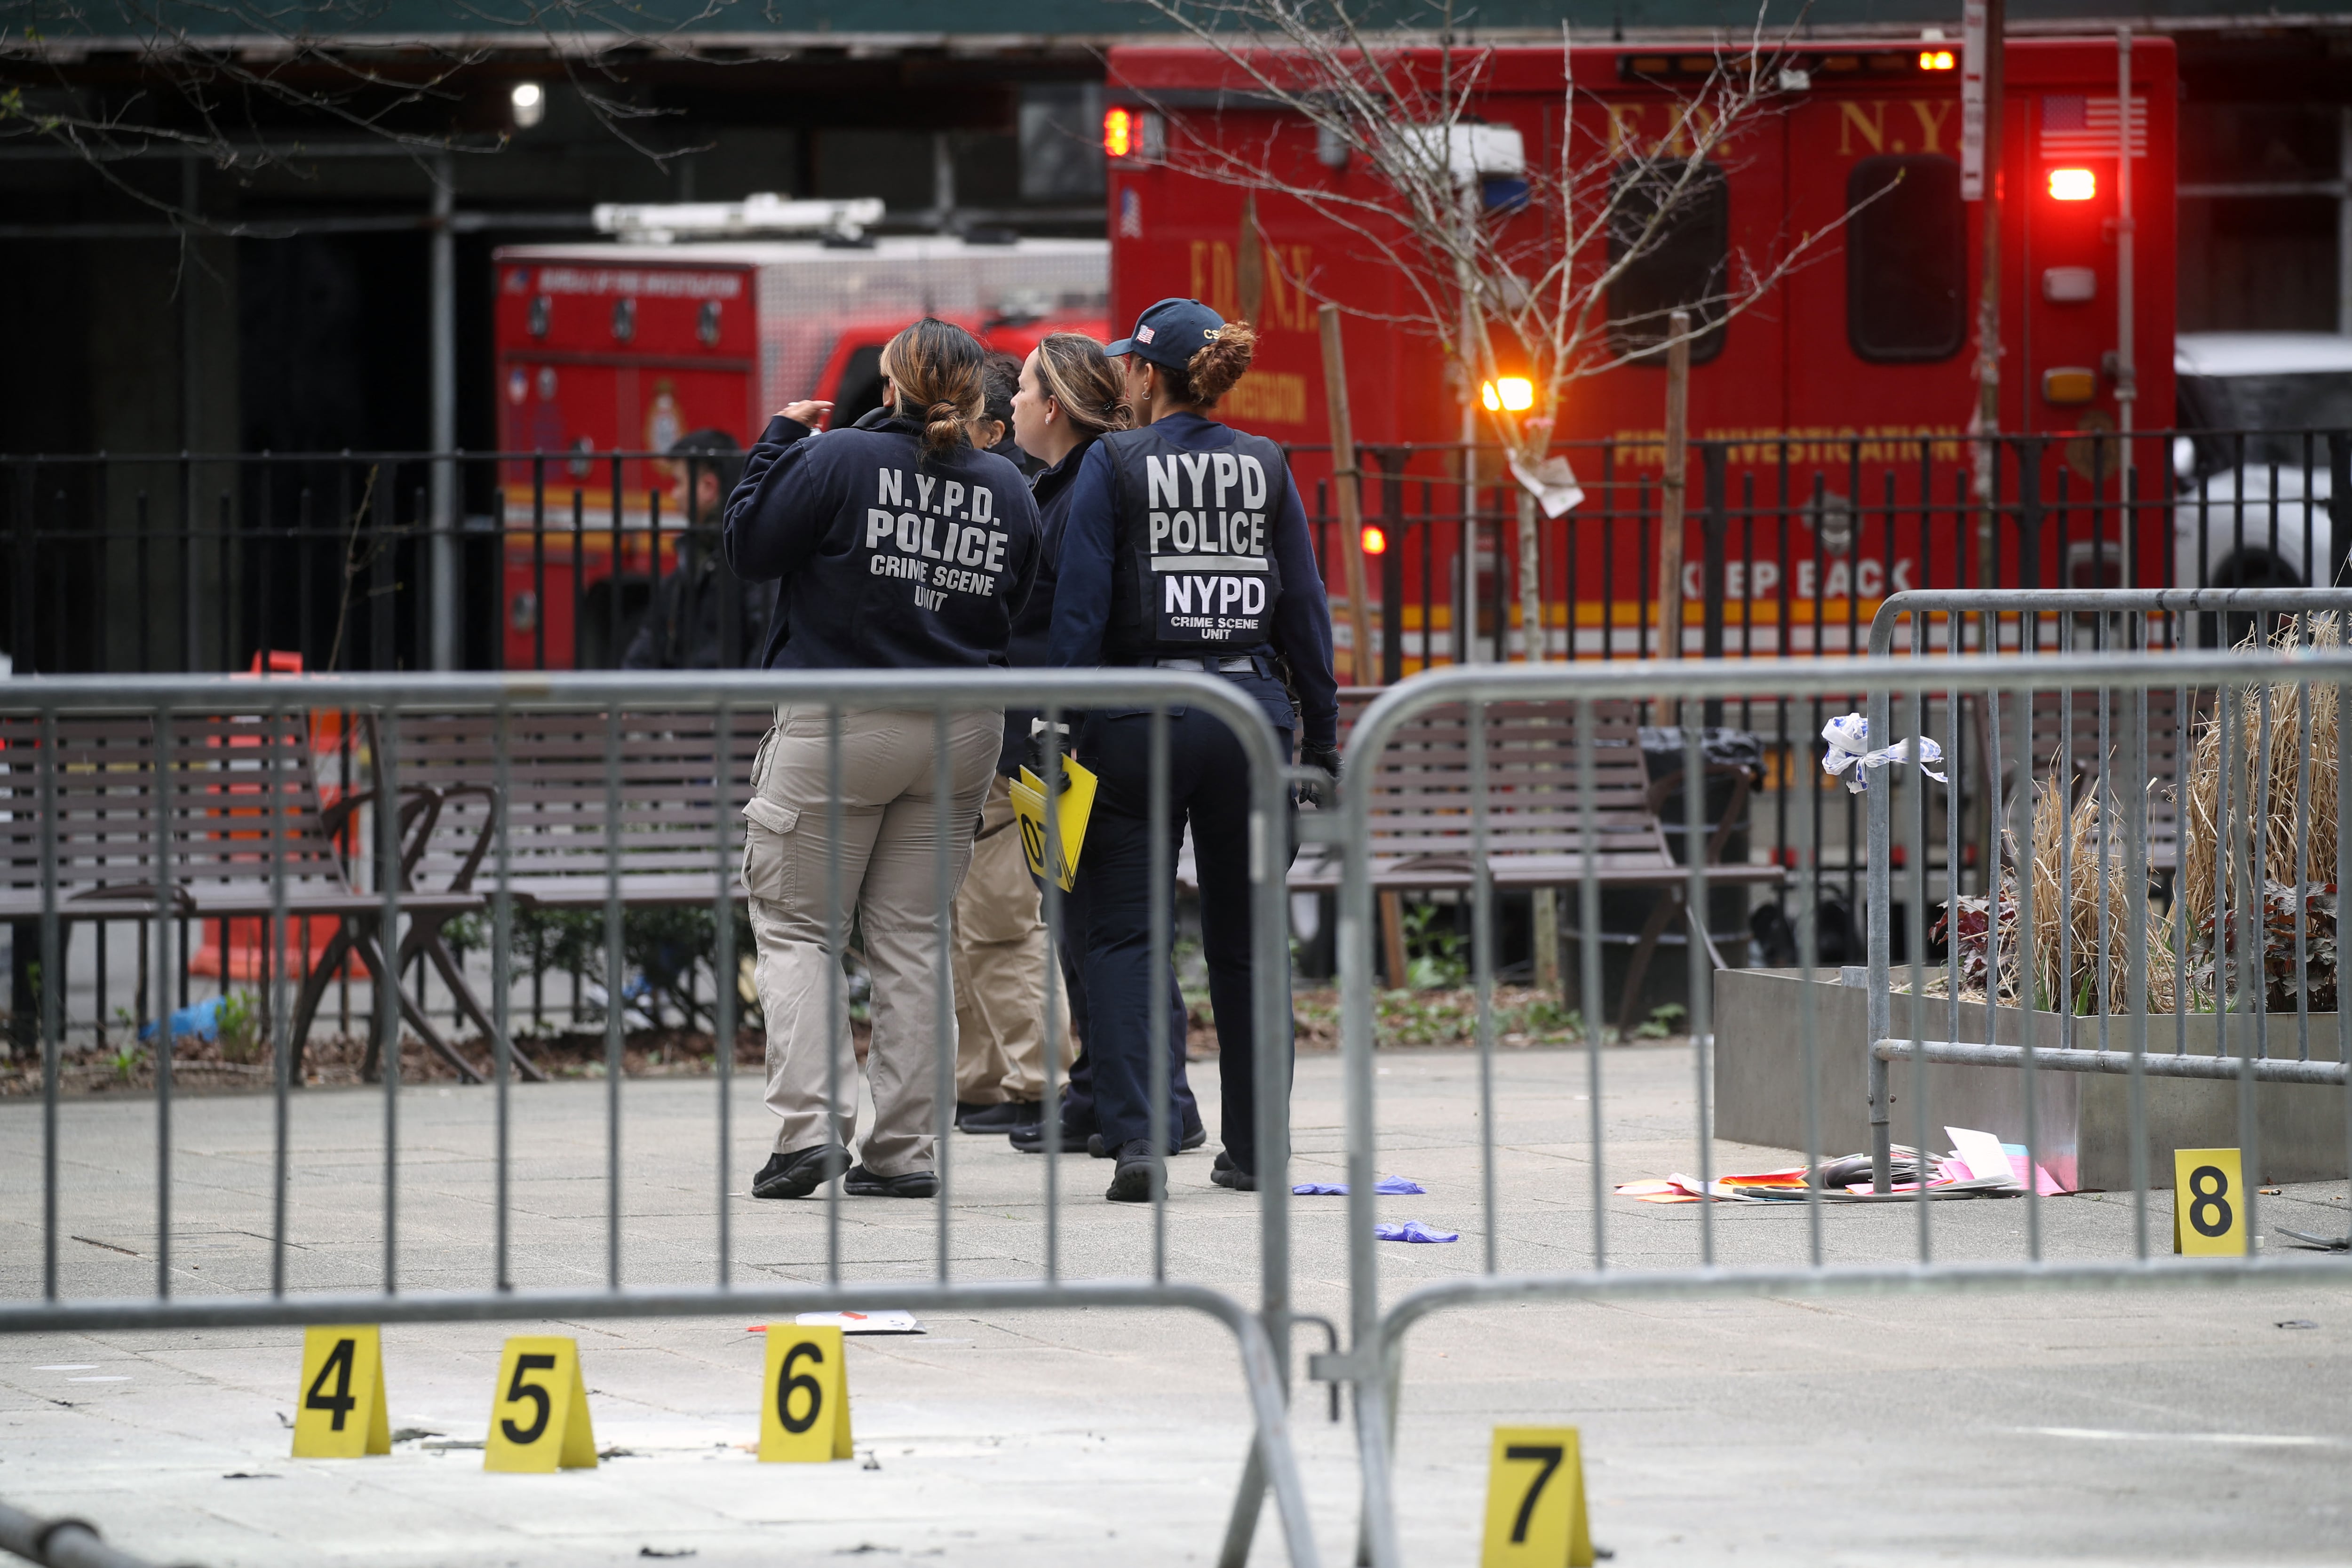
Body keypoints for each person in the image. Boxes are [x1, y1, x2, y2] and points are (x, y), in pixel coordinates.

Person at [724, 317, 1041, 1201]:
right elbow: (1017, 594)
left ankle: (805, 1134)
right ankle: (905, 1151)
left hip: (841, 719)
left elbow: (748, 549)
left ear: (890, 386)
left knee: (799, 927)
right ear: (975, 393)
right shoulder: (1007, 485)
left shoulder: (836, 460)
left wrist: (781, 437)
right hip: (962, 728)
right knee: (912, 940)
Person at [1048, 298, 1340, 1202]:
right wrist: (1320, 740)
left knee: (1127, 933)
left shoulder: (1112, 458)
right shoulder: (1266, 464)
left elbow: (1081, 607)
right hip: (1251, 717)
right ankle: (1257, 1151)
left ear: (1141, 373)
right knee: (1251, 945)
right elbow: (1305, 614)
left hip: (1140, 715)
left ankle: (1138, 1140)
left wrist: (1059, 726)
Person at [994, 334, 1205, 1159]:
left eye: (1019, 389)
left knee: (1104, 926)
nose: (1007, 402)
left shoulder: (1093, 481)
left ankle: (1160, 1101)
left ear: (1052, 407)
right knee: (1075, 919)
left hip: (1073, 734)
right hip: (1054, 731)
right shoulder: (1063, 481)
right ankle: (1099, 1087)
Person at [946, 349, 1074, 1135]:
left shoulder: (1009, 499)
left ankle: (1041, 1080)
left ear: (994, 429)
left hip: (1018, 744)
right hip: (1002, 740)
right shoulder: (1013, 494)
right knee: (975, 917)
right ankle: (988, 1077)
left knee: (1002, 916)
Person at [623, 429, 768, 670]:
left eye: (679, 482)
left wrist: (748, 704)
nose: (674, 494)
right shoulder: (697, 551)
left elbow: (765, 636)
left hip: (729, 703)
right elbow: (653, 638)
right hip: (700, 702)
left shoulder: (744, 553)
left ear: (709, 487)